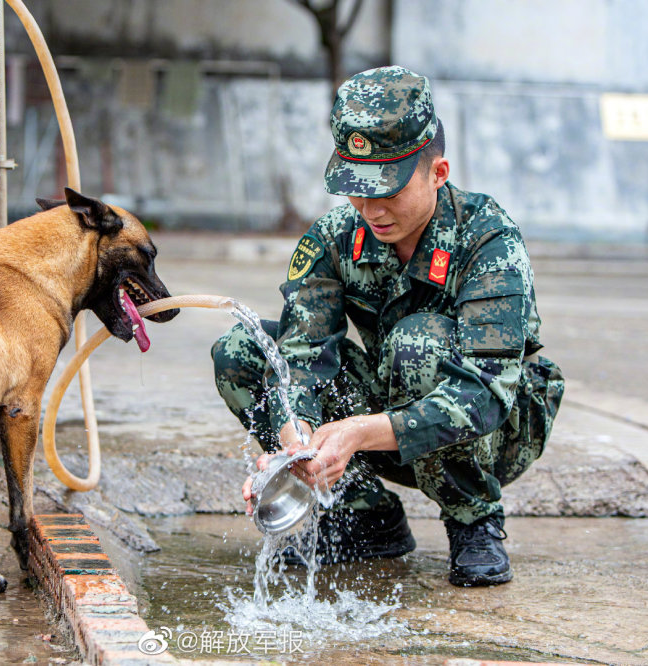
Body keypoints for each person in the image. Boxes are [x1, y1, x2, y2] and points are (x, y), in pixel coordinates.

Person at [212, 66, 564, 587]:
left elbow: (488, 390)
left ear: (438, 172)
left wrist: (358, 431)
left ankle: (474, 519)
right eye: (357, 189)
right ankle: (363, 512)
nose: (370, 209)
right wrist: (297, 442)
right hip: (390, 411)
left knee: (415, 342)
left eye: (389, 191)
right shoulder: (334, 238)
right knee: (242, 349)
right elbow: (303, 355)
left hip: (498, 429)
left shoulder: (487, 238)